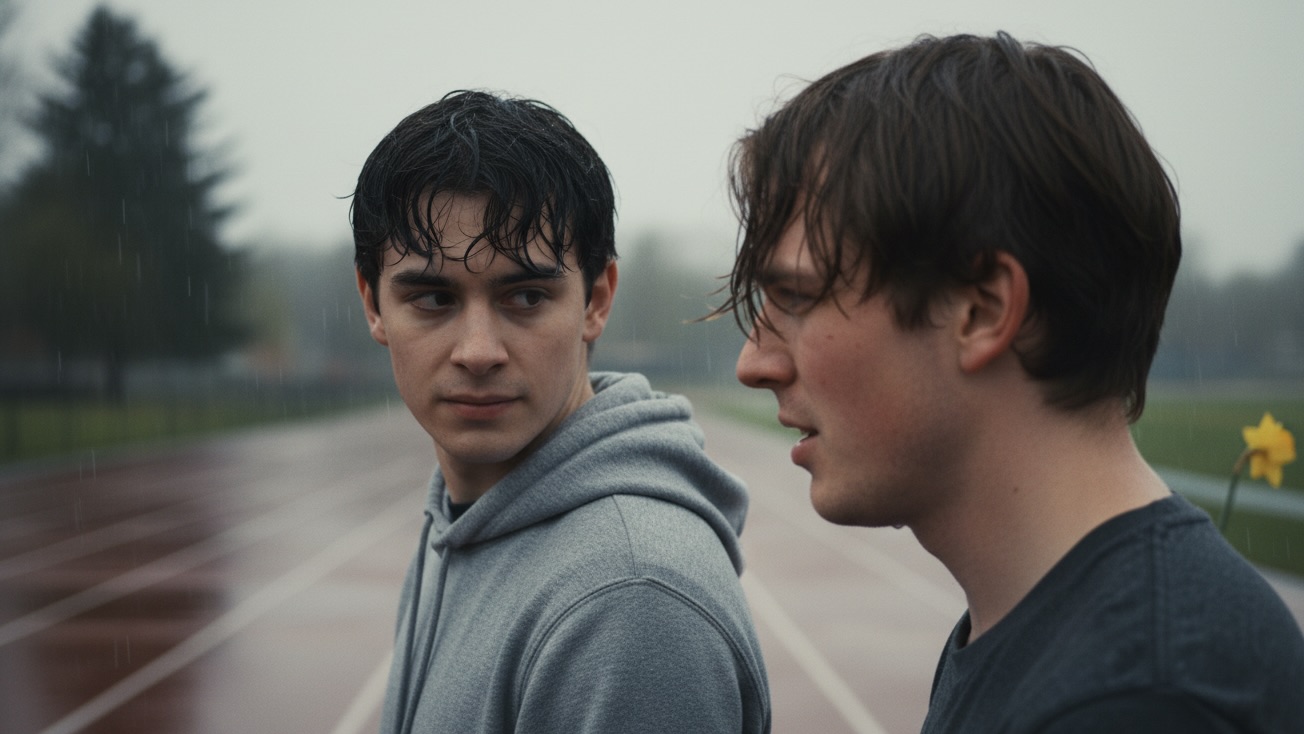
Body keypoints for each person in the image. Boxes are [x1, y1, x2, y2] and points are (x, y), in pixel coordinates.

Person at [723, 32, 1304, 732]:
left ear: (983, 311)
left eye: (795, 296)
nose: (753, 363)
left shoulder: (1139, 699)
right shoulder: (1053, 629)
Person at [351, 90, 770, 734]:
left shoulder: (629, 599)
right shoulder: (460, 515)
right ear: (373, 305)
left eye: (525, 296)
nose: (478, 352)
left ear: (596, 300)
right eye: (433, 299)